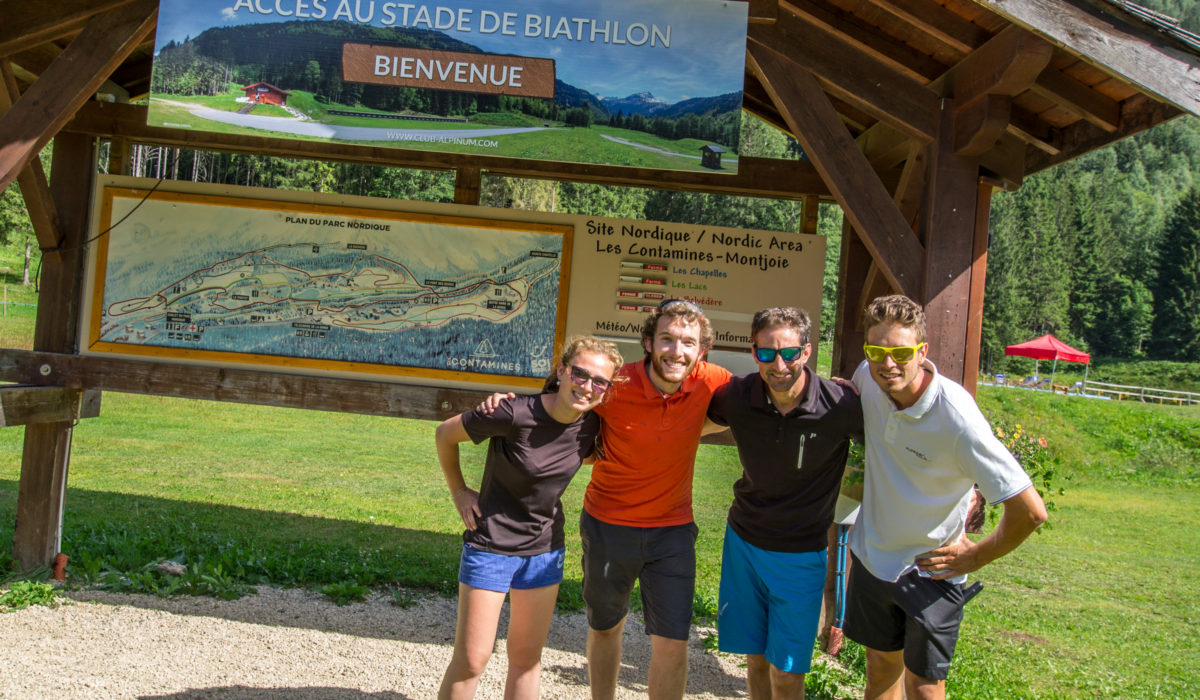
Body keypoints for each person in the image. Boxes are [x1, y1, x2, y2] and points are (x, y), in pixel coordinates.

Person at [478, 299, 731, 699]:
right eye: (667, 339)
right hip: (609, 525)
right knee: (606, 627)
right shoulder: (617, 385)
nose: (676, 351)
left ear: (701, 350)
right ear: (648, 342)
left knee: (673, 641)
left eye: (688, 342)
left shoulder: (711, 380)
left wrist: (823, 387)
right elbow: (561, 405)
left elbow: (764, 395)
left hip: (673, 531)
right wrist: (502, 404)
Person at [845, 295, 1048, 700]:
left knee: (924, 687)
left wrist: (975, 556)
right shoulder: (866, 377)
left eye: (900, 352)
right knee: (880, 671)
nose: (887, 363)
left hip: (930, 569)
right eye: (876, 351)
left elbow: (1030, 511)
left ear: (922, 351)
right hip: (872, 557)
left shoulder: (956, 417)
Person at [435, 335, 624, 700]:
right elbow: (445, 434)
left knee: (526, 659)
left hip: (544, 551)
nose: (587, 387)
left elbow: (584, 456)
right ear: (563, 371)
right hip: (490, 545)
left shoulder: (591, 427)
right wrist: (459, 492)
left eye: (600, 381)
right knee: (472, 660)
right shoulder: (512, 411)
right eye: (580, 374)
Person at [705, 307, 862, 699]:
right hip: (743, 541)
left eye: (789, 353)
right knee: (755, 658)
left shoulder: (841, 405)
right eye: (766, 353)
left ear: (806, 352)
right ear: (752, 351)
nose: (778, 364)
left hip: (801, 554)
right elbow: (682, 414)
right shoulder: (736, 396)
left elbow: (899, 439)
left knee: (788, 671)